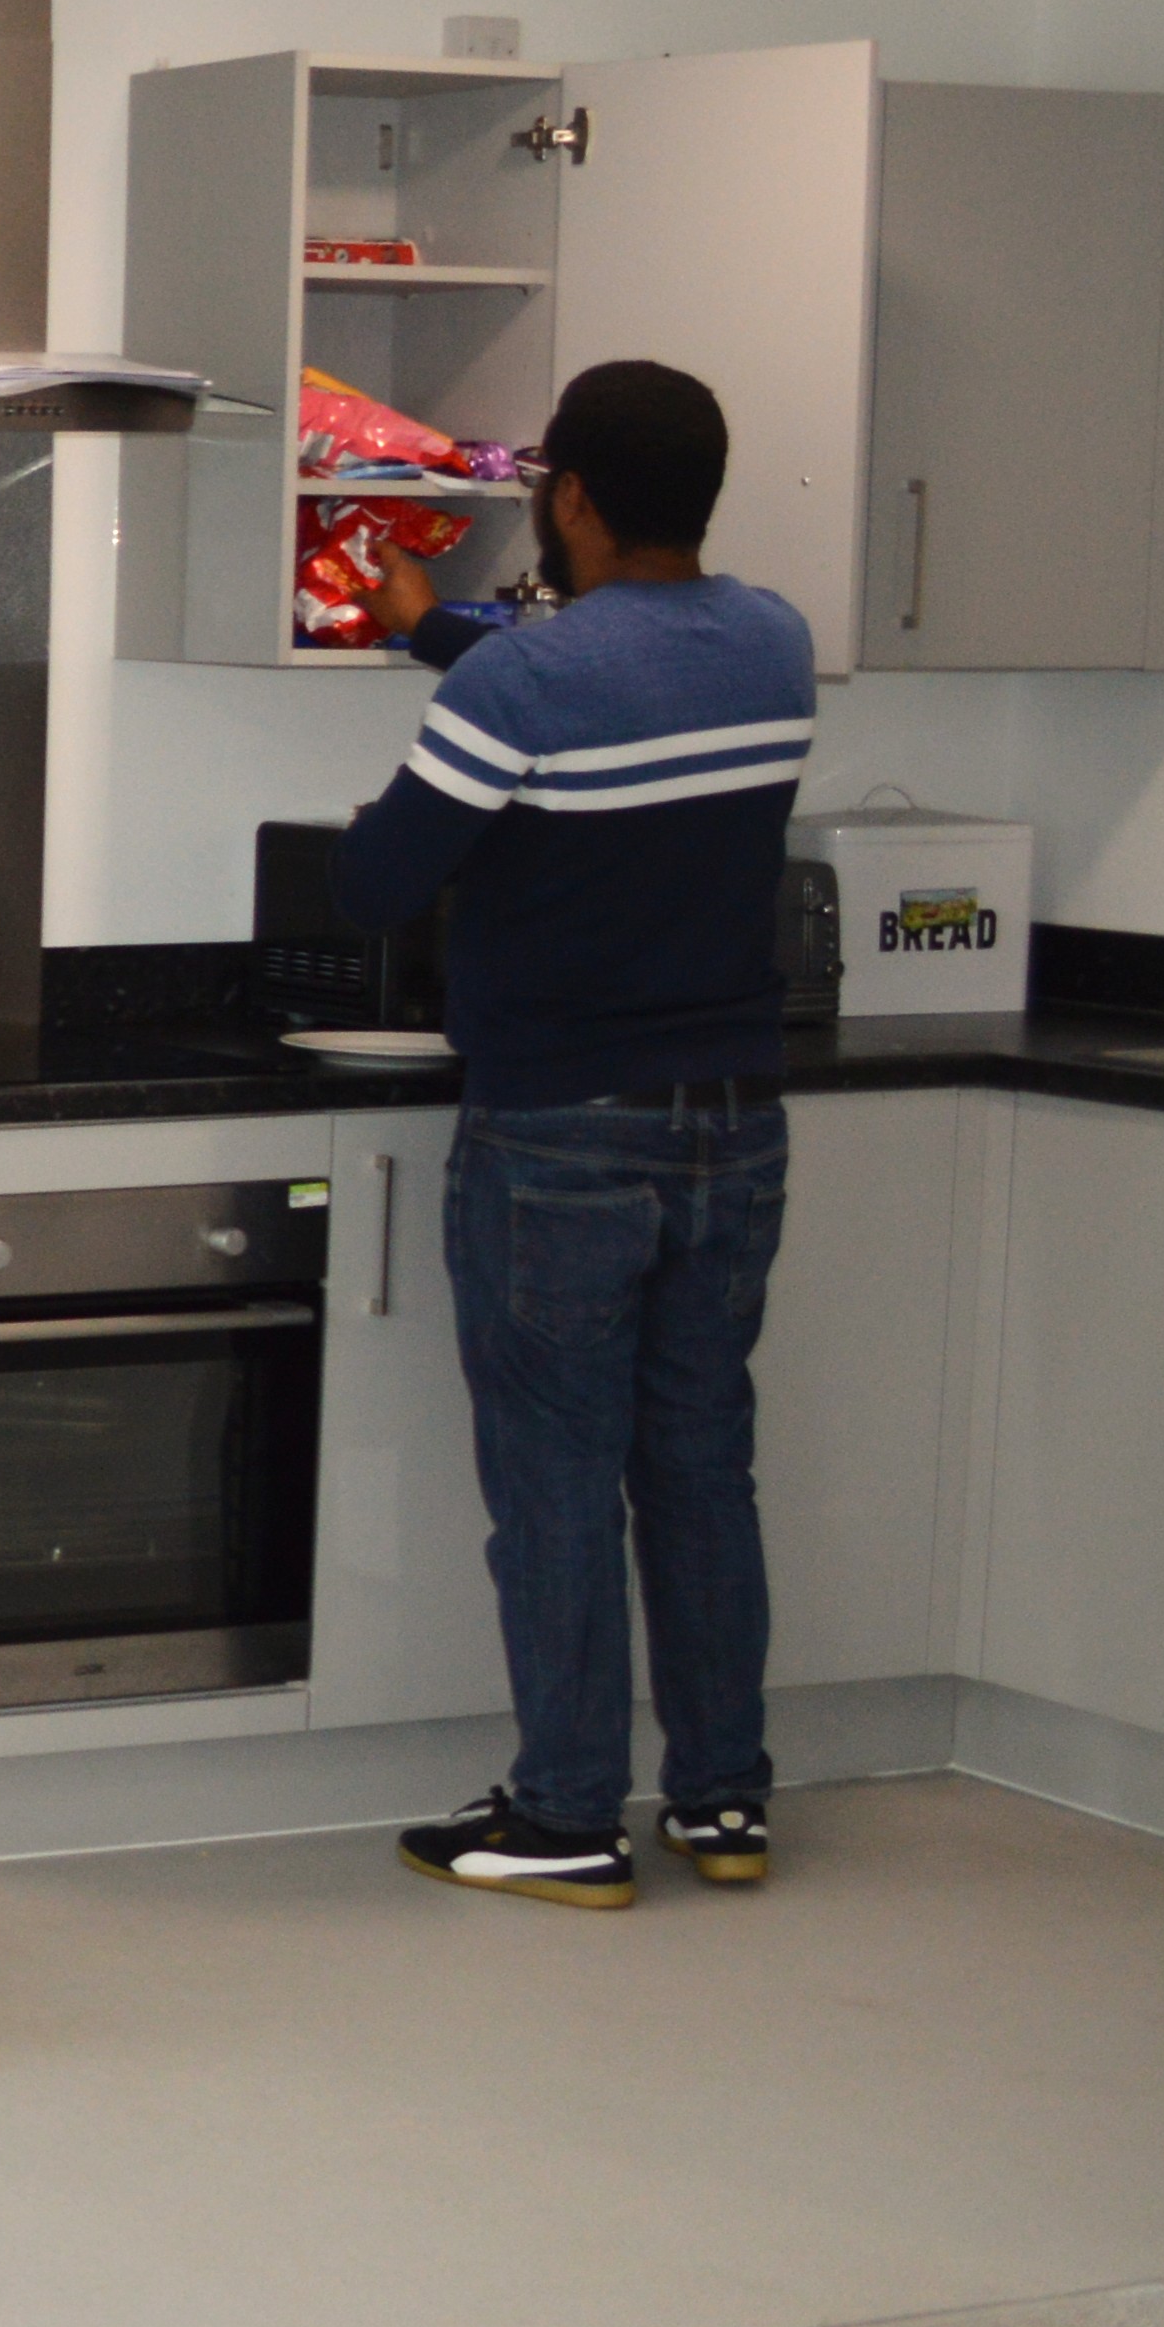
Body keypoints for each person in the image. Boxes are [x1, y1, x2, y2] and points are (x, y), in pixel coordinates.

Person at [336, 360, 816, 1909]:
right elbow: (610, 667)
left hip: (560, 1137)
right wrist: (437, 627)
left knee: (554, 1479)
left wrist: (438, 657)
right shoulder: (773, 642)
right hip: (734, 1128)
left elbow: (382, 881)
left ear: (573, 498)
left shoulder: (522, 689)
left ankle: (564, 1820)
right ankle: (723, 1805)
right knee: (698, 1466)